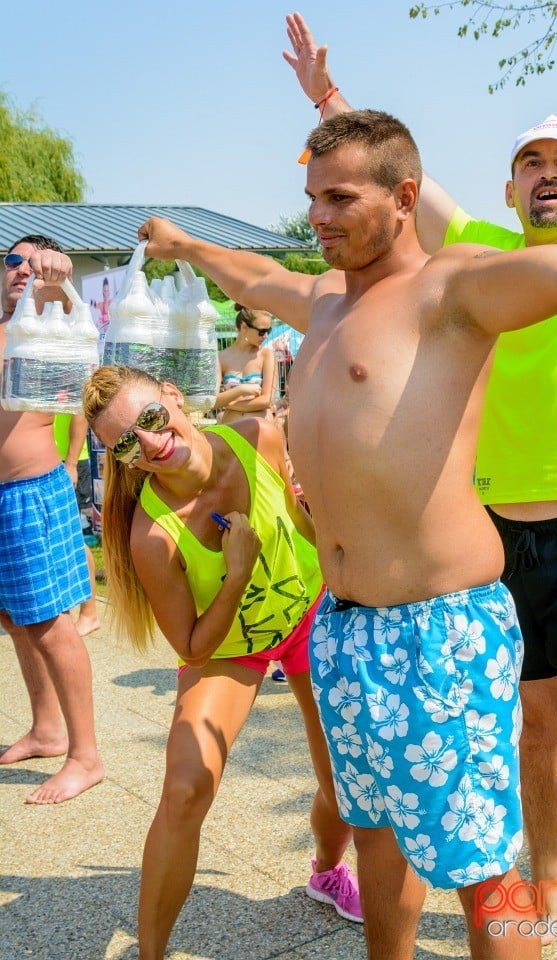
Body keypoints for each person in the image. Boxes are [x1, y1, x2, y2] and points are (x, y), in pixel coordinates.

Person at [136, 108, 557, 959]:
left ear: (405, 197)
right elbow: (256, 276)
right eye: (311, 197)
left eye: (339, 198)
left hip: (442, 629)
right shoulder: (325, 298)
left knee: (482, 865)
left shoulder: (457, 286)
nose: (317, 216)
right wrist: (185, 245)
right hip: (345, 627)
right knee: (376, 835)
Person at [282, 16, 557, 959]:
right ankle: (554, 875)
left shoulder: (523, 267)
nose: (548, 171)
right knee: (476, 777)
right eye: (530, 158)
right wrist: (327, 97)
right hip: (442, 557)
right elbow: (389, 176)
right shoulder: (465, 245)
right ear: (507, 180)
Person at [82, 364, 361, 960]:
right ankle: (150, 953)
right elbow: (191, 646)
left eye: (152, 419)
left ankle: (327, 871)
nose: (152, 444)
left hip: (311, 611)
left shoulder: (259, 435)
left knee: (342, 776)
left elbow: (303, 523)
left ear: (174, 399)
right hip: (229, 645)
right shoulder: (152, 537)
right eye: (128, 442)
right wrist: (236, 573)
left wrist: (347, 556)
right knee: (184, 790)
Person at [0, 235, 104, 804]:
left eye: (32, 264)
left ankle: (85, 756)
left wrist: (57, 280)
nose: (22, 271)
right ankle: (46, 729)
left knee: (47, 622)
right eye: (14, 261)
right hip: (3, 497)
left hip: (27, 494)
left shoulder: (45, 324)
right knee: (15, 619)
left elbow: (78, 342)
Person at [53, 412, 101, 637]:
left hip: (66, 460)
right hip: (46, 459)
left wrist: (71, 463)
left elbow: (79, 413)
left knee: (71, 537)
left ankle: (89, 613)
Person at [213, 303, 276, 424]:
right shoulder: (221, 357)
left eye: (269, 330)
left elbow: (267, 400)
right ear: (244, 327)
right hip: (231, 430)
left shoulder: (267, 355)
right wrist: (240, 390)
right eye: (262, 331)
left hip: (260, 431)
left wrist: (229, 403)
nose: (266, 336)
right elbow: (213, 401)